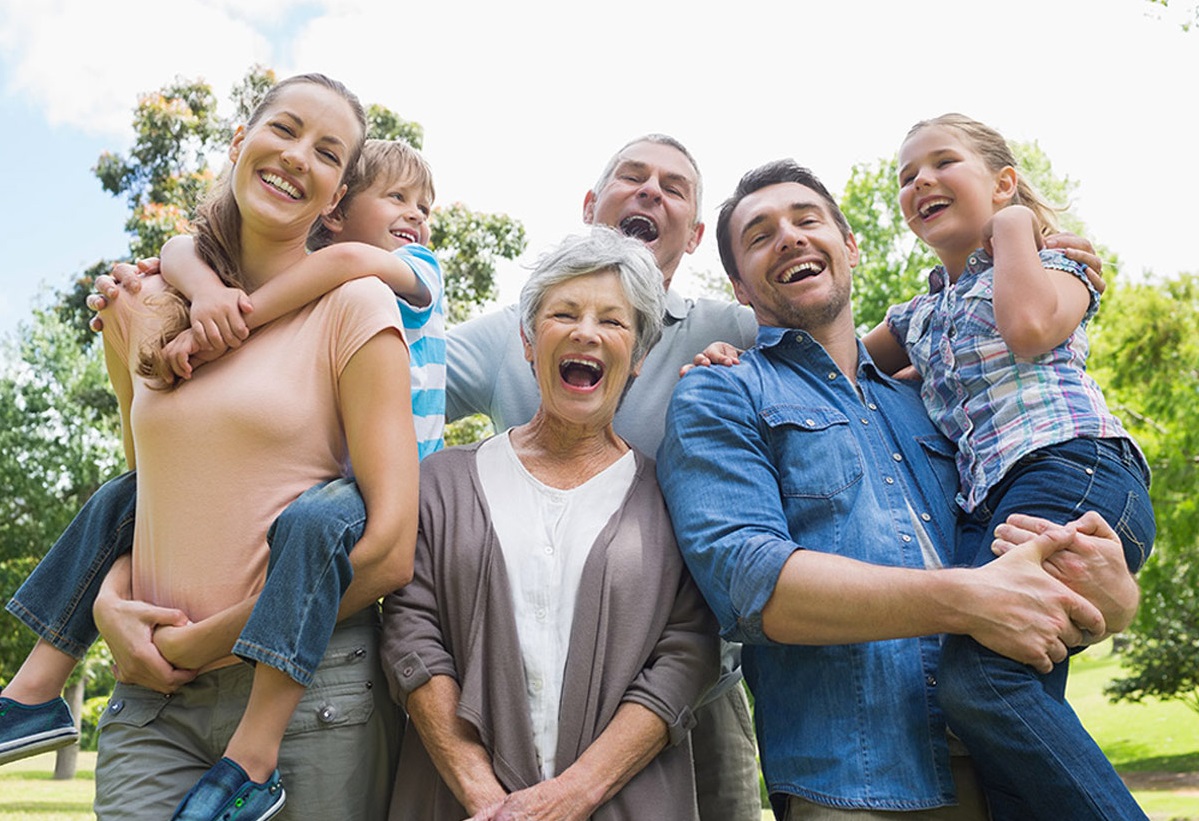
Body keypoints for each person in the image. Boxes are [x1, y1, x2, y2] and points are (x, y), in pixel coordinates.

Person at [655, 159, 1142, 819]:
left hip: (1008, 770)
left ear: (850, 248)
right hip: (856, 783)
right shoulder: (721, 390)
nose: (790, 237)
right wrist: (967, 600)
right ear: (740, 287)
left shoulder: (940, 402)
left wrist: (1110, 604)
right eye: (760, 234)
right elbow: (748, 582)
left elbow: (1014, 557)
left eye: (806, 219)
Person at [3, 74, 419, 821]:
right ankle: (32, 695)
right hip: (153, 698)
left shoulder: (356, 303)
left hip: (310, 694)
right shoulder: (144, 303)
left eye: (326, 152)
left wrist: (205, 640)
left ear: (334, 199)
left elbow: (389, 549)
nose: (297, 156)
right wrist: (109, 606)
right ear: (238, 141)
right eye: (284, 129)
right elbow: (148, 498)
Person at [445, 134, 763, 821]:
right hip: (532, 674)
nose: (651, 191)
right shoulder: (515, 330)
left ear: (696, 234)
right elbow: (384, 376)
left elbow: (836, 355)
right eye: (632, 176)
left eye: (673, 187)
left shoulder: (728, 327)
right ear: (591, 205)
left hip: (695, 676)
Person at [857, 113, 1154, 820]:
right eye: (905, 175)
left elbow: (1025, 330)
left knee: (980, 683)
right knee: (998, 722)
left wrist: (1014, 226)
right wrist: (731, 358)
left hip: (1074, 469)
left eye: (941, 162)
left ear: (1002, 182)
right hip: (991, 504)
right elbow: (839, 374)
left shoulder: (1061, 266)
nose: (919, 180)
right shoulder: (917, 316)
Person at [380, 227, 719, 820]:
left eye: (613, 322)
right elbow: (411, 634)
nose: (586, 331)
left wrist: (574, 795)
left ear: (638, 358)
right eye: (564, 312)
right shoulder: (441, 482)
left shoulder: (673, 498)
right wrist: (486, 798)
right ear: (529, 341)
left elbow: (687, 653)